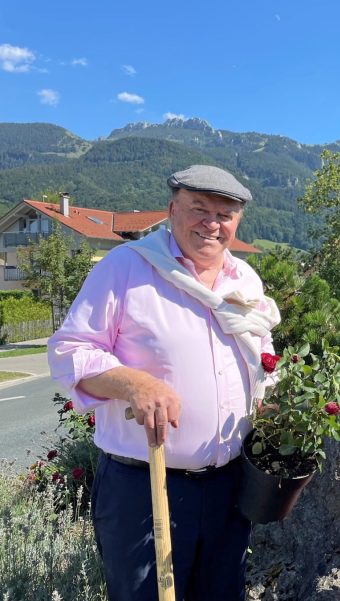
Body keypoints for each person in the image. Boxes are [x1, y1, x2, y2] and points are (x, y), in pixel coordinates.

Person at [48, 165, 280, 601]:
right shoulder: (126, 267)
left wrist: (272, 396)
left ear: (238, 222)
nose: (212, 223)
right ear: (172, 210)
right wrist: (133, 383)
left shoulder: (245, 280)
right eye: (199, 209)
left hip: (229, 488)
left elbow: (261, 352)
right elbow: (68, 351)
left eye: (225, 214)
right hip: (143, 488)